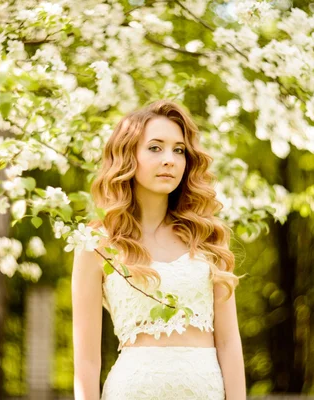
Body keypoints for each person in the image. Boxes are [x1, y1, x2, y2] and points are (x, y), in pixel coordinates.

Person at [72, 100, 246, 399]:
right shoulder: (96, 243)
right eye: (155, 147)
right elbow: (86, 362)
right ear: (128, 156)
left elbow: (229, 343)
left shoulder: (207, 236)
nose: (170, 159)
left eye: (179, 150)